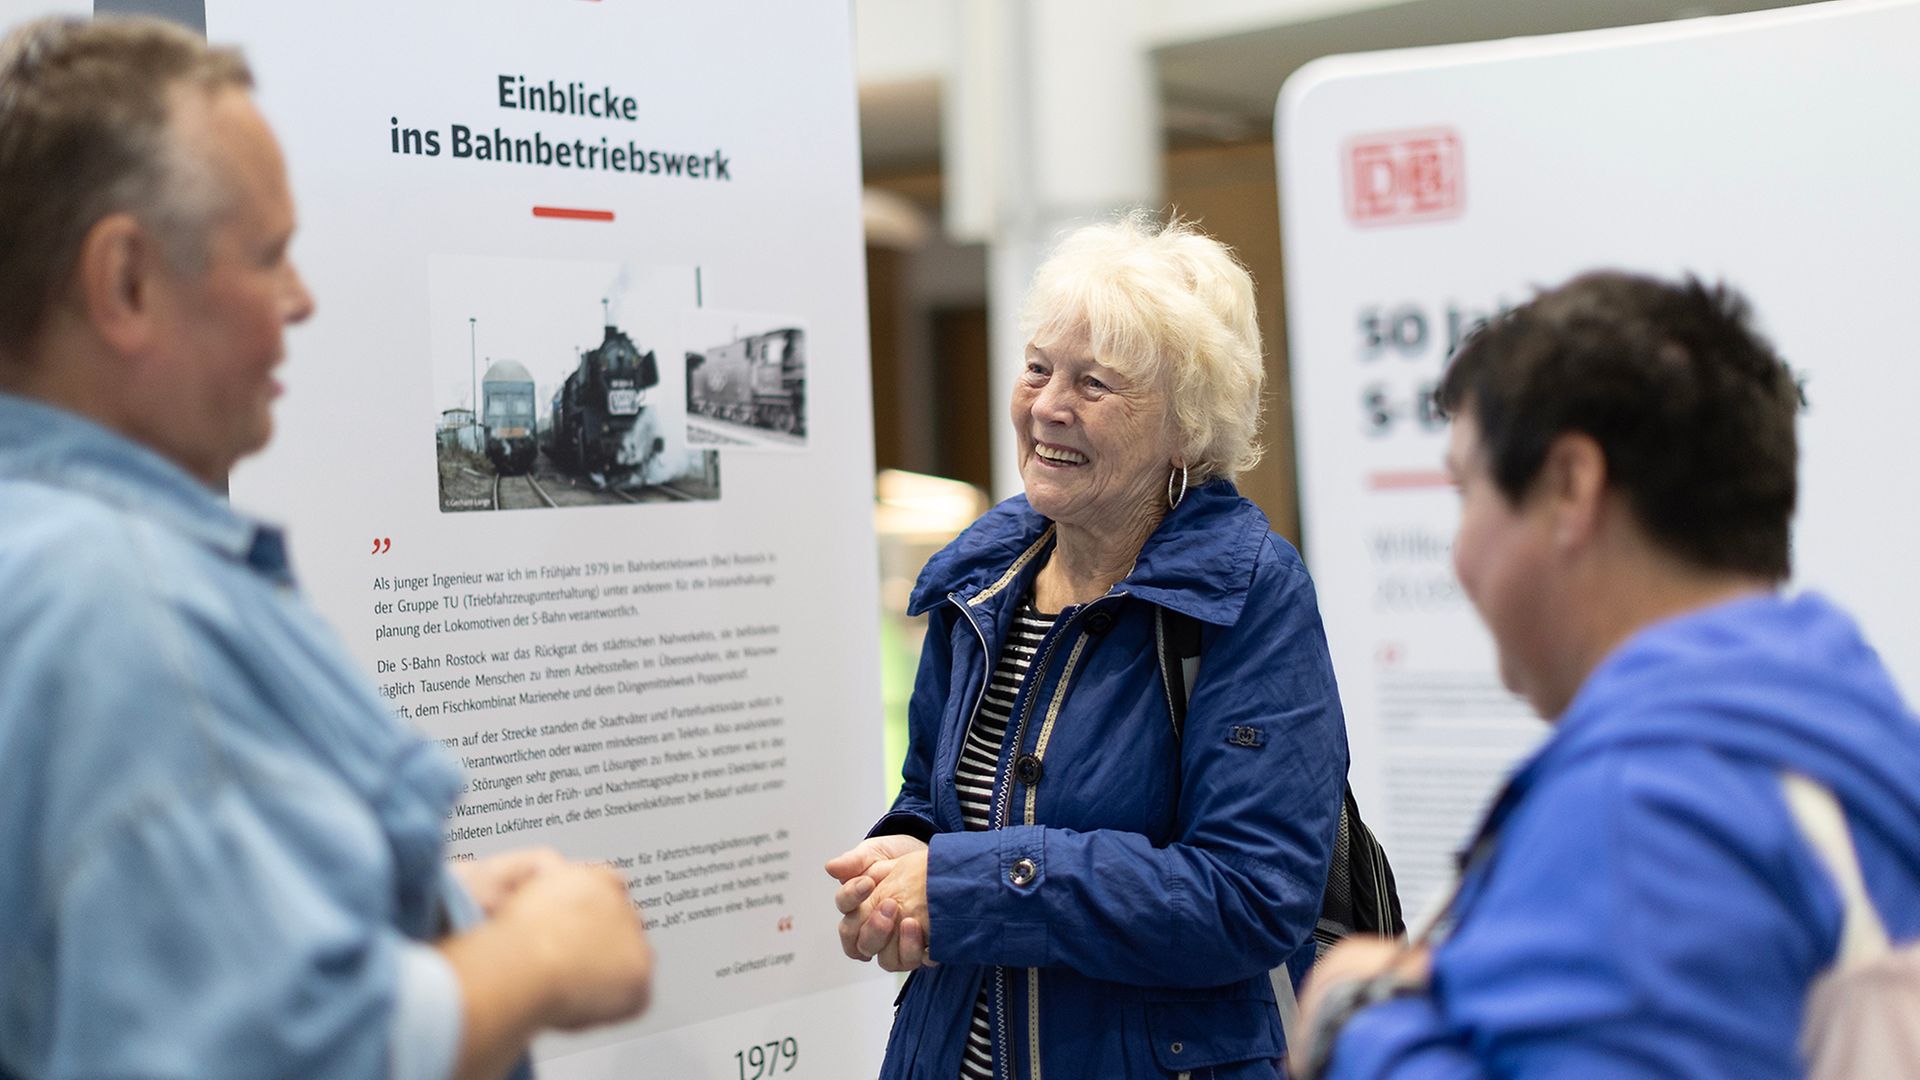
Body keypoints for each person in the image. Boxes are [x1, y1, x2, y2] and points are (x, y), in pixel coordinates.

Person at [0, 16, 651, 1080]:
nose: (301, 301)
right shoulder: (126, 610)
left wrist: (419, 903)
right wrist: (537, 961)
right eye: (267, 257)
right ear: (125, 283)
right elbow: (267, 1053)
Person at [1292, 272, 1920, 1078]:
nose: (1459, 554)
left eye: (1466, 490)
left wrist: (1359, 1028)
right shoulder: (1834, 723)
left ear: (1571, 486)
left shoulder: (1649, 801)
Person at [826, 214, 1348, 1078]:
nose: (1046, 406)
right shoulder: (981, 582)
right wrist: (902, 865)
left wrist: (965, 886)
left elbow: (1249, 898)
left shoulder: (1249, 596)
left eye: (1095, 384)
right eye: (1037, 367)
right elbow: (935, 799)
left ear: (1185, 426)